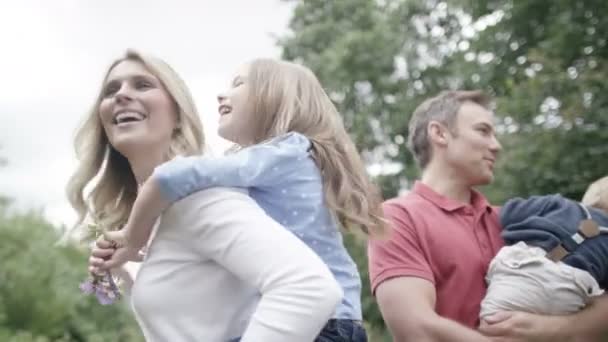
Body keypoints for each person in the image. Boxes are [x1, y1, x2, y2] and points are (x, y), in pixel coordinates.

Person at [99, 58, 387, 342]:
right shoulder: (269, 166)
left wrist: (132, 236)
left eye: (238, 84)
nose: (221, 94)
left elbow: (173, 176)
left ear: (274, 98)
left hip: (326, 324)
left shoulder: (287, 152)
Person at [367, 90, 608, 341]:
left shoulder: (518, 223)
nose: (496, 146)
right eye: (483, 131)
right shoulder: (398, 217)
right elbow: (416, 329)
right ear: (439, 133)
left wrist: (552, 329)